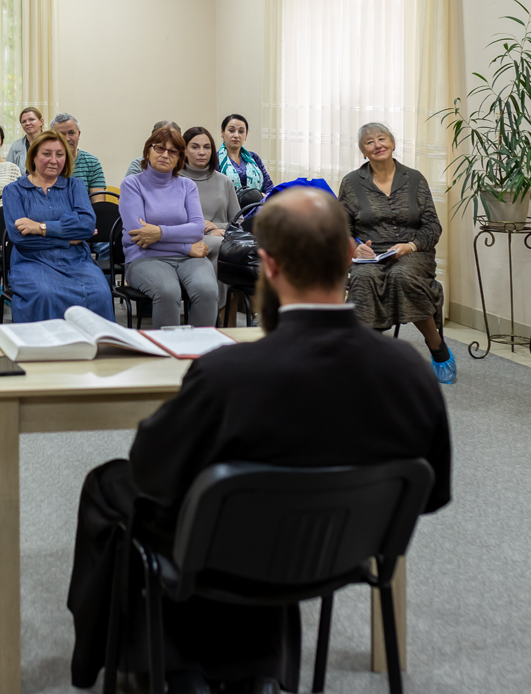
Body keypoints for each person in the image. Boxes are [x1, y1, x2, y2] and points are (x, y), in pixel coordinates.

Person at [67, 187, 453, 694]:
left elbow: (152, 471)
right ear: (349, 256)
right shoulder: (408, 371)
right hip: (343, 552)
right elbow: (431, 492)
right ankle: (254, 666)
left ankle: (156, 661)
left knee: (110, 486)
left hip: (227, 553)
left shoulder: (227, 374)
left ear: (267, 265)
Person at [339, 122, 455, 384]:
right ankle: (370, 356)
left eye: (382, 139)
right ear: (362, 151)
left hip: (412, 252)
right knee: (364, 278)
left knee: (401, 277)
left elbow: (432, 226)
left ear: (392, 143)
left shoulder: (414, 178)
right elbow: (341, 227)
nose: (377, 145)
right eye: (369, 142)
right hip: (370, 255)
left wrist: (410, 246)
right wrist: (355, 246)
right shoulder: (351, 183)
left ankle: (437, 347)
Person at [2, 131, 114, 323]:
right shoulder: (13, 190)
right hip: (32, 261)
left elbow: (86, 226)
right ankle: (47, 343)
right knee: (46, 294)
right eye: (47, 154)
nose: (54, 160)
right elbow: (19, 238)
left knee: (99, 293)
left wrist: (41, 227)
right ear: (33, 157)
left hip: (77, 260)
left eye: (60, 154)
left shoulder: (75, 185)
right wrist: (69, 239)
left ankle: (94, 342)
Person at [119, 127, 219, 328]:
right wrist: (186, 247)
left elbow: (197, 229)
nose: (165, 155)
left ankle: (201, 346)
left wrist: (159, 233)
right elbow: (138, 236)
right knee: (167, 292)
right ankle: (168, 347)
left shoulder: (187, 186)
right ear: (148, 150)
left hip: (188, 260)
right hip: (144, 258)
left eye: (173, 151)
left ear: (179, 158)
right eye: (159, 148)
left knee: (207, 291)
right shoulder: (132, 184)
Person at [182, 126, 240, 308]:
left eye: (207, 147)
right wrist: (202, 229)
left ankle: (223, 310)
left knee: (229, 248)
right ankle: (217, 310)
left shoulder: (224, 181)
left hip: (219, 237)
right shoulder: (175, 180)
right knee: (222, 246)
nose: (202, 152)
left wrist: (216, 226)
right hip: (186, 240)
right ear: (184, 150)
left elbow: (238, 222)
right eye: (195, 147)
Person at [217, 113, 274, 203]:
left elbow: (268, 185)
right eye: (231, 130)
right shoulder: (215, 160)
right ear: (222, 132)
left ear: (246, 135)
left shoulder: (253, 158)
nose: (236, 135)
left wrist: (266, 198)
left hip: (258, 206)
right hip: (229, 209)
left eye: (241, 131)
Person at [51, 113, 107, 202]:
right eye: (61, 134)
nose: (67, 139)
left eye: (71, 133)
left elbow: (99, 204)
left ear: (79, 134)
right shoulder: (47, 163)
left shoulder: (92, 163)